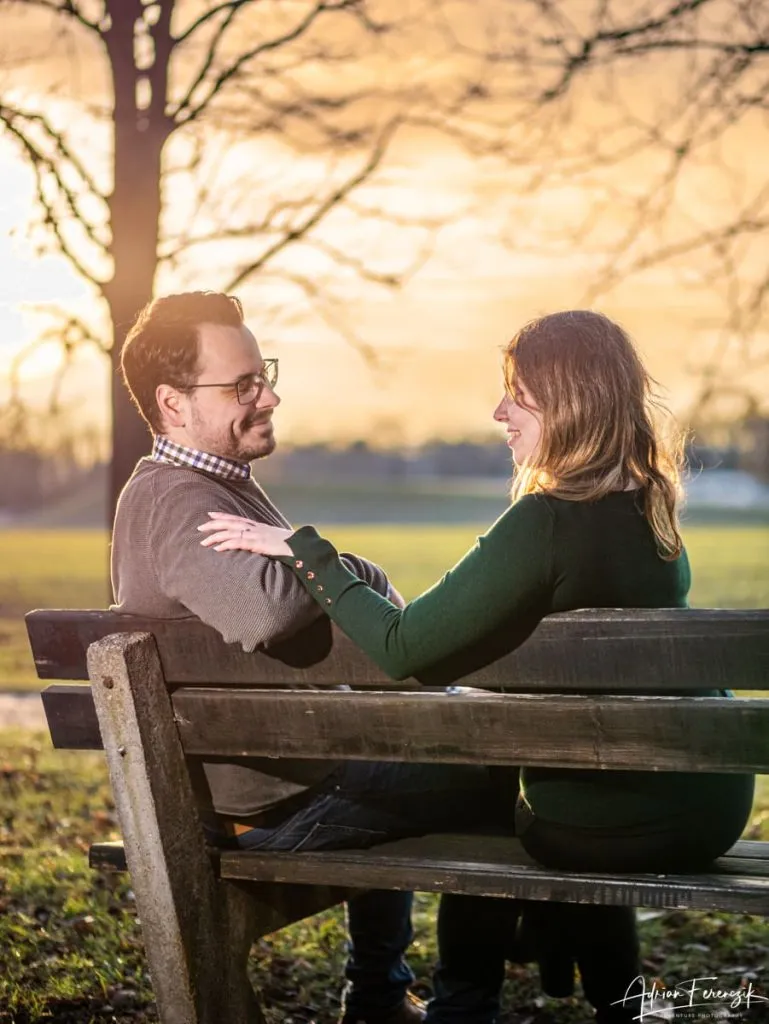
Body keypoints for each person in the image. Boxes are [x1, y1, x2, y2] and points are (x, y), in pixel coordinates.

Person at [199, 309, 756, 1024]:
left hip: (608, 822)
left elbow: (404, 648)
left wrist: (307, 553)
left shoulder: (543, 522)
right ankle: (610, 994)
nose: (499, 412)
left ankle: (463, 1003)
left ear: (567, 402)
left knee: (485, 784)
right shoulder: (652, 507)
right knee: (509, 769)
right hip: (705, 804)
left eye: (516, 394)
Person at [113, 289, 523, 1024]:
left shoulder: (213, 488)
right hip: (267, 808)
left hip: (289, 781)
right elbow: (264, 608)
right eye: (241, 385)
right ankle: (455, 1009)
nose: (269, 394)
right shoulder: (177, 500)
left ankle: (377, 994)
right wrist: (344, 568)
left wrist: (316, 563)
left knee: (410, 748)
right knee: (494, 771)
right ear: (174, 405)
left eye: (261, 373)